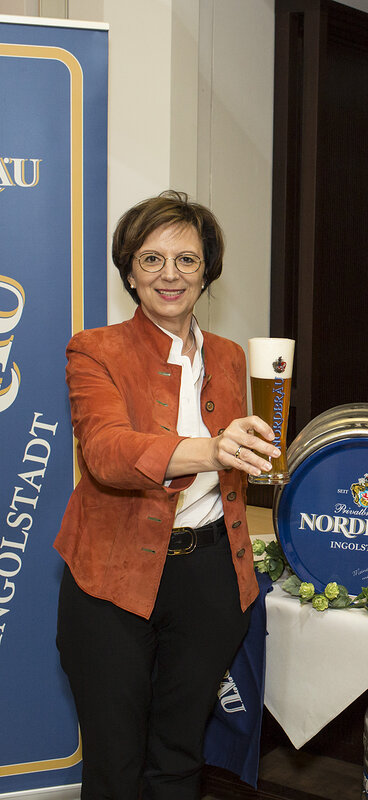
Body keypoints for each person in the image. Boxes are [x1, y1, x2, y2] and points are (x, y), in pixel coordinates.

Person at [55, 190, 280, 799]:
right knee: (115, 763)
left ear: (207, 268)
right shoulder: (93, 349)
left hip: (209, 576)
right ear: (129, 271)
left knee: (181, 755)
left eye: (186, 258)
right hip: (112, 581)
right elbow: (105, 452)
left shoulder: (233, 358)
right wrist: (211, 449)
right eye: (151, 259)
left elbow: (247, 462)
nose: (170, 274)